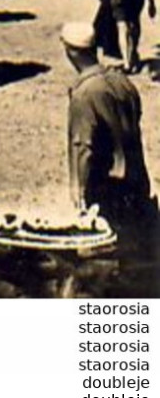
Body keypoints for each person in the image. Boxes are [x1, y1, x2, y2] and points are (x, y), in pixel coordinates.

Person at [61, 22, 156, 242]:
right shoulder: (122, 81)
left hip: (107, 186)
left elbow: (83, 146)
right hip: (136, 178)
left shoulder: (84, 94)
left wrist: (79, 190)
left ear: (70, 52)